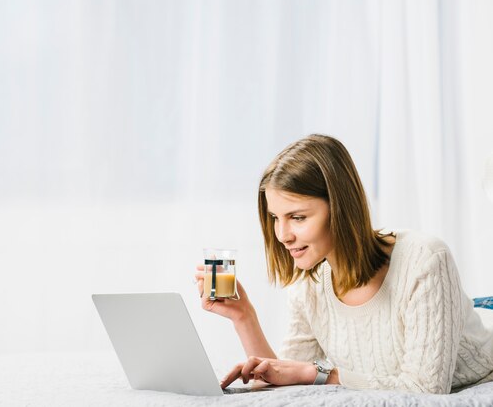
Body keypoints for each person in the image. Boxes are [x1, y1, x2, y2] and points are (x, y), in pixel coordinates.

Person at [195, 134, 493, 394]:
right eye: (275, 218)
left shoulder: (425, 260)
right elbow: (285, 381)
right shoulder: (308, 283)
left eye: (297, 217)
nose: (283, 235)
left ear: (340, 207)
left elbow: (425, 390)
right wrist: (244, 317)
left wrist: (318, 374)